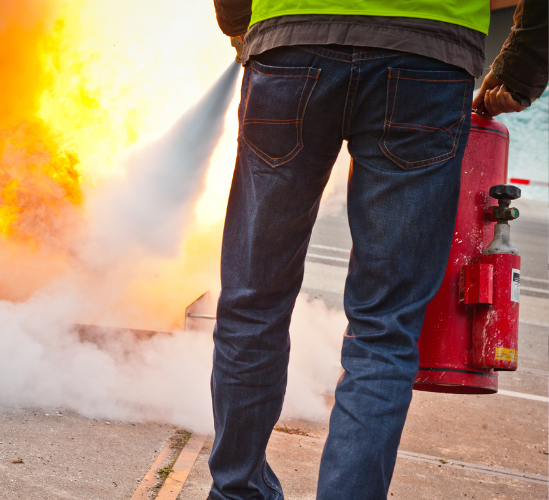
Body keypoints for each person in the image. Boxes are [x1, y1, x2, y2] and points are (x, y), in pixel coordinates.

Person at [208, 1, 547, 499]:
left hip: (291, 44)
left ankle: (236, 491)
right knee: (383, 328)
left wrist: (243, 28)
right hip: (427, 58)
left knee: (252, 299)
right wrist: (521, 70)